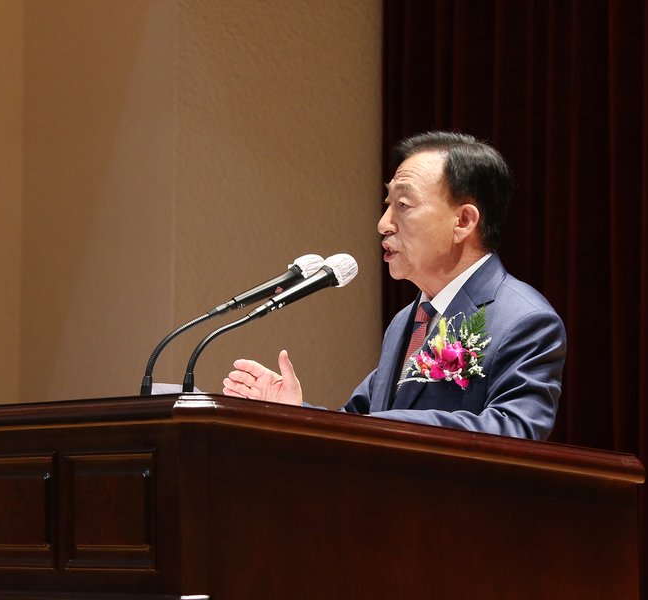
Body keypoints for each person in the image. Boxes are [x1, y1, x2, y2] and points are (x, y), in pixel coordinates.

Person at [222, 131, 566, 440]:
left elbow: (515, 431)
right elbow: (359, 423)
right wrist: (295, 412)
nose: (384, 223)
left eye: (403, 205)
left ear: (462, 221)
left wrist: (392, 428)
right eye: (388, 204)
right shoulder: (408, 320)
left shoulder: (524, 320)